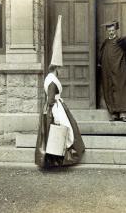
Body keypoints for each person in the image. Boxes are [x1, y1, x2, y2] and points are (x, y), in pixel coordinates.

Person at [35, 15, 85, 168]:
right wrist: (55, 116)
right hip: (54, 108)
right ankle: (58, 160)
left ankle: (59, 159)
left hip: (56, 106)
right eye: (60, 68)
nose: (62, 71)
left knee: (67, 130)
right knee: (64, 130)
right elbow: (50, 99)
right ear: (56, 68)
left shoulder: (51, 78)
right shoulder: (51, 80)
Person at [98, 21, 126, 122]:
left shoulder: (120, 41)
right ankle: (114, 113)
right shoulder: (105, 42)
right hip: (107, 71)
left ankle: (123, 114)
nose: (111, 32)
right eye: (109, 30)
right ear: (107, 31)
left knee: (121, 89)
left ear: (115, 30)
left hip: (119, 69)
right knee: (109, 90)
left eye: (113, 30)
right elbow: (101, 55)